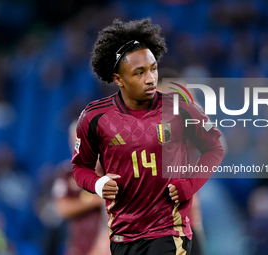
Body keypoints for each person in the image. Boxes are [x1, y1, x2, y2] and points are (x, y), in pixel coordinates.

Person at [72, 18, 224, 255]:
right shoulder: (103, 122)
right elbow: (96, 174)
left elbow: (216, 147)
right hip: (128, 233)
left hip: (179, 226)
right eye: (140, 73)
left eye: (153, 70)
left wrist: (190, 185)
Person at [53, 120, 110, 255]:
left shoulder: (112, 171)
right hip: (79, 247)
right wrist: (95, 200)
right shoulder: (67, 173)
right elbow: (62, 208)